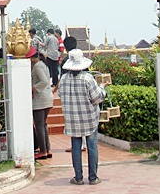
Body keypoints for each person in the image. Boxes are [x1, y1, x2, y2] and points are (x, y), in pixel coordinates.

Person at [58, 44, 109, 186]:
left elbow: (61, 95)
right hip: (89, 118)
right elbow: (97, 98)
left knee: (76, 146)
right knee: (92, 146)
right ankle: (93, 177)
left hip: (72, 118)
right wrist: (102, 88)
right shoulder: (87, 78)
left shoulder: (63, 79)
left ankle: (78, 177)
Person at [28, 46, 53, 160]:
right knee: (43, 124)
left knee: (39, 125)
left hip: (40, 99)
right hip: (47, 97)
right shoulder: (42, 64)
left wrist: (33, 88)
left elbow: (44, 81)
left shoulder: (37, 66)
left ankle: (43, 150)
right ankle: (47, 149)